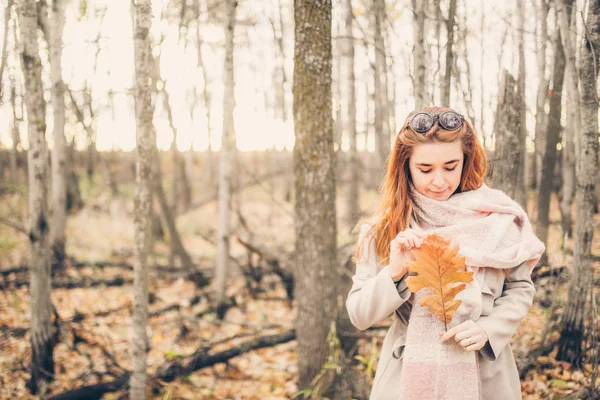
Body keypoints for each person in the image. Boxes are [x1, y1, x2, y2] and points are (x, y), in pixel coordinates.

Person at [345, 106, 545, 400]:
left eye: (451, 166)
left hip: (486, 377)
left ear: (467, 160)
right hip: (405, 378)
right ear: (405, 166)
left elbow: (520, 288)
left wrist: (489, 329)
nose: (439, 181)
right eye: (425, 169)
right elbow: (359, 315)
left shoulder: (498, 218)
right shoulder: (384, 230)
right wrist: (395, 272)